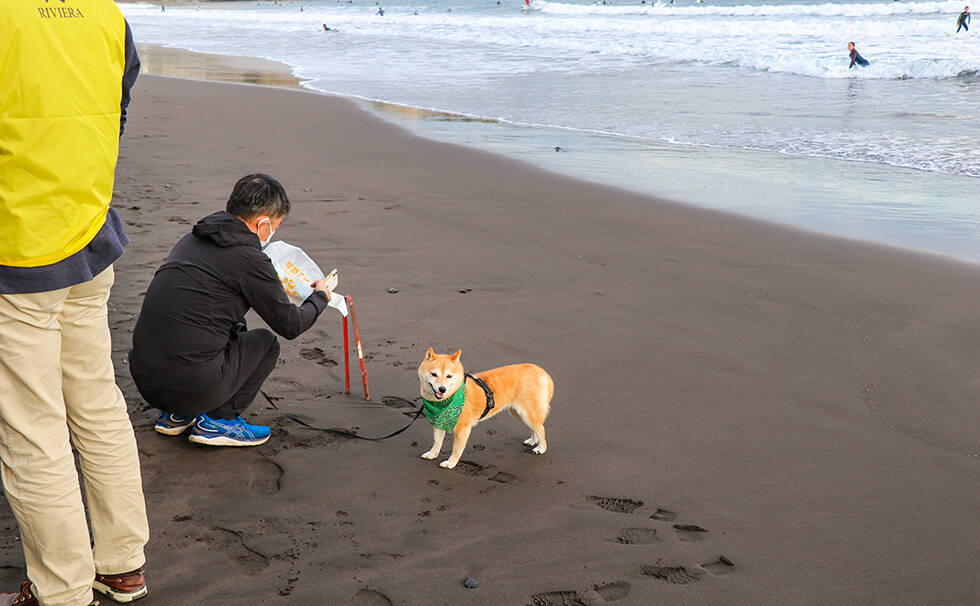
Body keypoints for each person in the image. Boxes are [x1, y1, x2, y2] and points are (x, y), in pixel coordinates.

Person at [0, 1, 149, 605]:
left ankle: (61, 590)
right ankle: (122, 564)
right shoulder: (106, 15)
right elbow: (117, 110)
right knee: (96, 404)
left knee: (32, 430)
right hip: (87, 233)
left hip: (20, 248)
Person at [128, 174, 334, 447]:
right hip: (188, 383)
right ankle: (219, 421)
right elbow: (291, 325)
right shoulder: (249, 259)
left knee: (230, 325)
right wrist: (319, 297)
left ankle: (177, 415)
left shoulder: (191, 240)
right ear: (263, 224)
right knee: (266, 343)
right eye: (275, 225)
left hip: (146, 378)